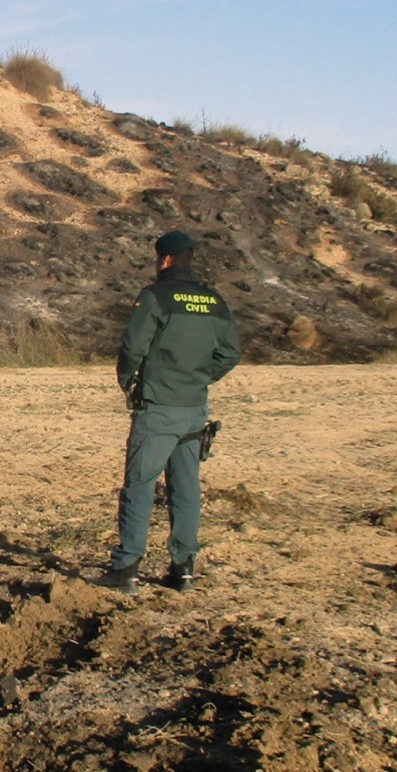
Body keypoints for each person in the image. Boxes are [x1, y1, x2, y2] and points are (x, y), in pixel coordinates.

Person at [96, 230, 241, 594]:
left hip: (158, 408)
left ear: (164, 260)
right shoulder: (213, 300)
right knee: (186, 489)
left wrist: (128, 381)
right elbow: (230, 352)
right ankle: (183, 569)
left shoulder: (155, 297)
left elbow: (133, 346)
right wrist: (200, 378)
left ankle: (127, 568)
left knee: (140, 487)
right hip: (194, 409)